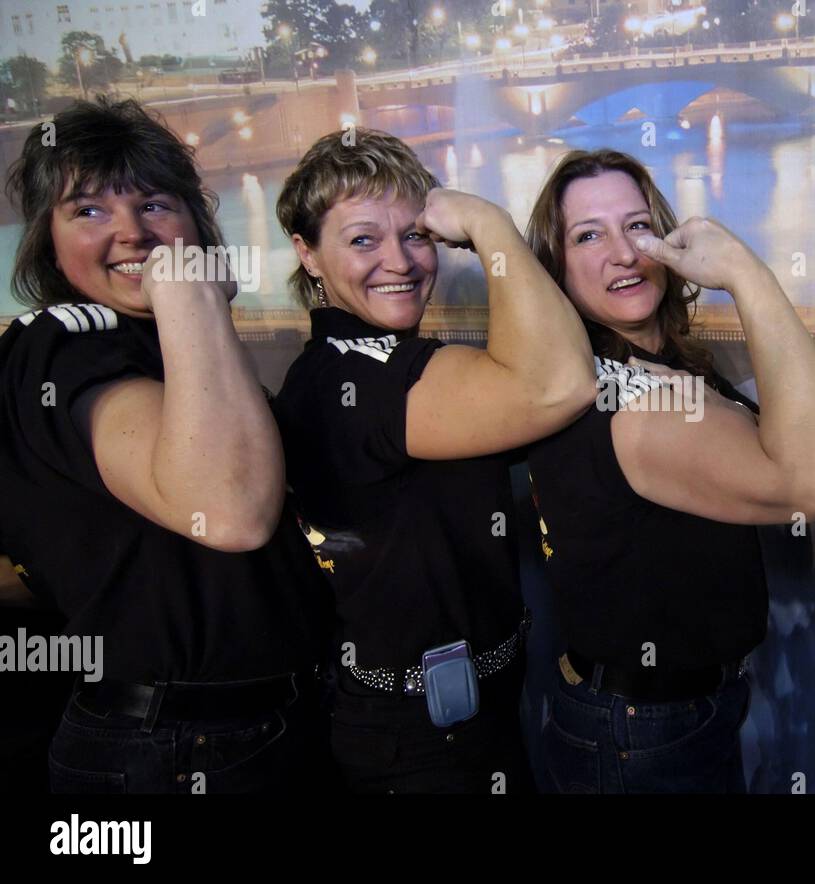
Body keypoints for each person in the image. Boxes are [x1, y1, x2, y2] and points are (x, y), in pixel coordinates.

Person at [0, 97, 333, 793]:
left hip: (244, 727)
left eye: (154, 204)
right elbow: (231, 512)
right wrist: (190, 293)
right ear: (48, 244)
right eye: (88, 210)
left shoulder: (153, 341)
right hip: (178, 746)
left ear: (194, 222)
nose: (132, 232)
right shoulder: (68, 345)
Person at [524, 149, 815, 793]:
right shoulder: (629, 401)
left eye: (637, 226)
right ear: (555, 271)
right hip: (641, 735)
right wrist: (746, 274)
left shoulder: (670, 370)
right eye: (589, 236)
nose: (624, 253)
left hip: (676, 718)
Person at [272, 128, 595, 793]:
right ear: (307, 254)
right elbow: (559, 386)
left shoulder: (387, 363)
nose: (399, 261)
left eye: (414, 235)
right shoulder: (352, 375)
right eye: (363, 240)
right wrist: (489, 223)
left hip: (462, 715)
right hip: (419, 740)